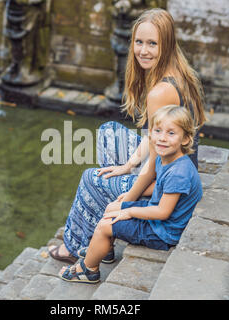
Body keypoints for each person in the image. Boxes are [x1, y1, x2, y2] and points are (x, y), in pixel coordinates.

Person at [48, 8, 206, 264]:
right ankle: (103, 239)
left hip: (169, 178)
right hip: (178, 162)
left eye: (152, 44)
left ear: (166, 45)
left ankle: (76, 247)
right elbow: (153, 137)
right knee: (108, 132)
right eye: (139, 42)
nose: (143, 50)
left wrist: (127, 200)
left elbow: (154, 165)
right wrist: (128, 165)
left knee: (92, 178)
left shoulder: (161, 91)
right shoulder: (177, 72)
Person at [58, 105, 203, 283]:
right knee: (113, 206)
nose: (162, 138)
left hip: (163, 231)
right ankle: (104, 248)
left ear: (186, 139)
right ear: (150, 133)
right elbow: (161, 188)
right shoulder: (166, 158)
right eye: (157, 131)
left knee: (105, 225)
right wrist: (126, 199)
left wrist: (130, 211)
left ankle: (88, 270)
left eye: (171, 133)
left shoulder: (179, 172)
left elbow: (163, 212)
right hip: (157, 215)